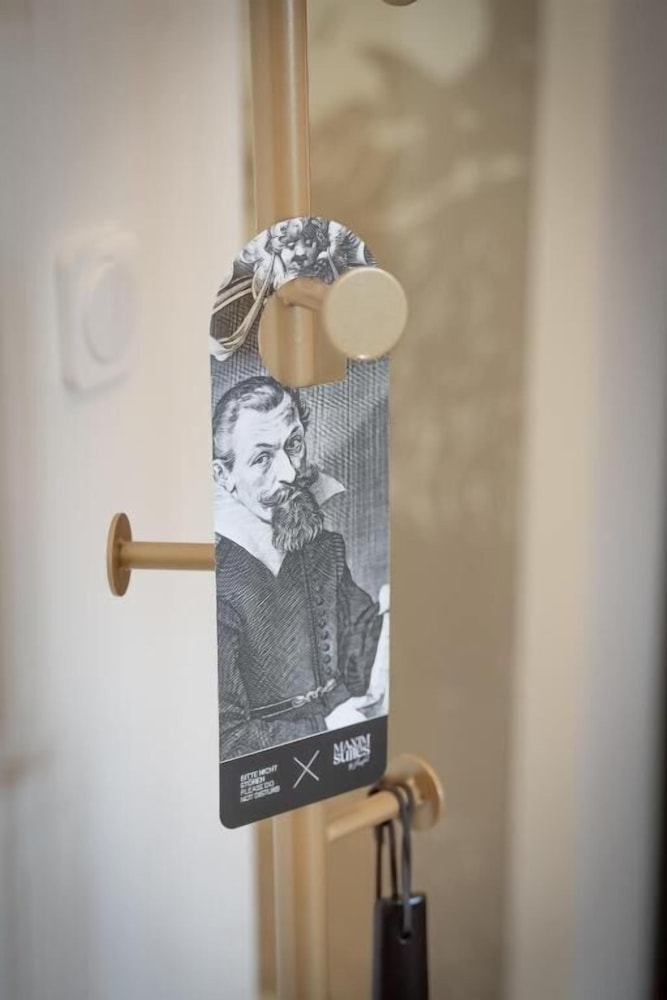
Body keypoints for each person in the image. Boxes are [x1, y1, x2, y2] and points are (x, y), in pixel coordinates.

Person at [212, 375, 387, 760]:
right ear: (224, 477)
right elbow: (226, 739)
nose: (290, 474)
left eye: (293, 445)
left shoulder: (323, 549)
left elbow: (359, 646)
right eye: (262, 458)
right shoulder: (219, 584)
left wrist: (389, 624)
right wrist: (324, 728)